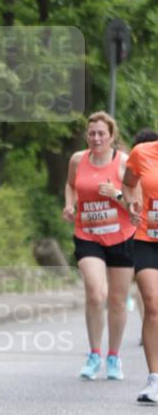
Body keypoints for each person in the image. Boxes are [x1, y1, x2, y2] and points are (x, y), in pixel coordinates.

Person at [62, 111, 135, 380]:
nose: (96, 138)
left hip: (122, 237)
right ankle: (94, 355)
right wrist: (70, 205)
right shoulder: (77, 160)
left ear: (111, 136)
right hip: (88, 235)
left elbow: (135, 207)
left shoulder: (124, 163)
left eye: (101, 133)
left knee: (117, 301)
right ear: (86, 136)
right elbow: (70, 185)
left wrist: (115, 194)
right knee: (95, 293)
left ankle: (113, 356)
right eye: (92, 133)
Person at [123, 129, 158, 404]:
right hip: (148, 238)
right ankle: (154, 379)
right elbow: (128, 182)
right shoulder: (142, 152)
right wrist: (131, 202)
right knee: (152, 304)